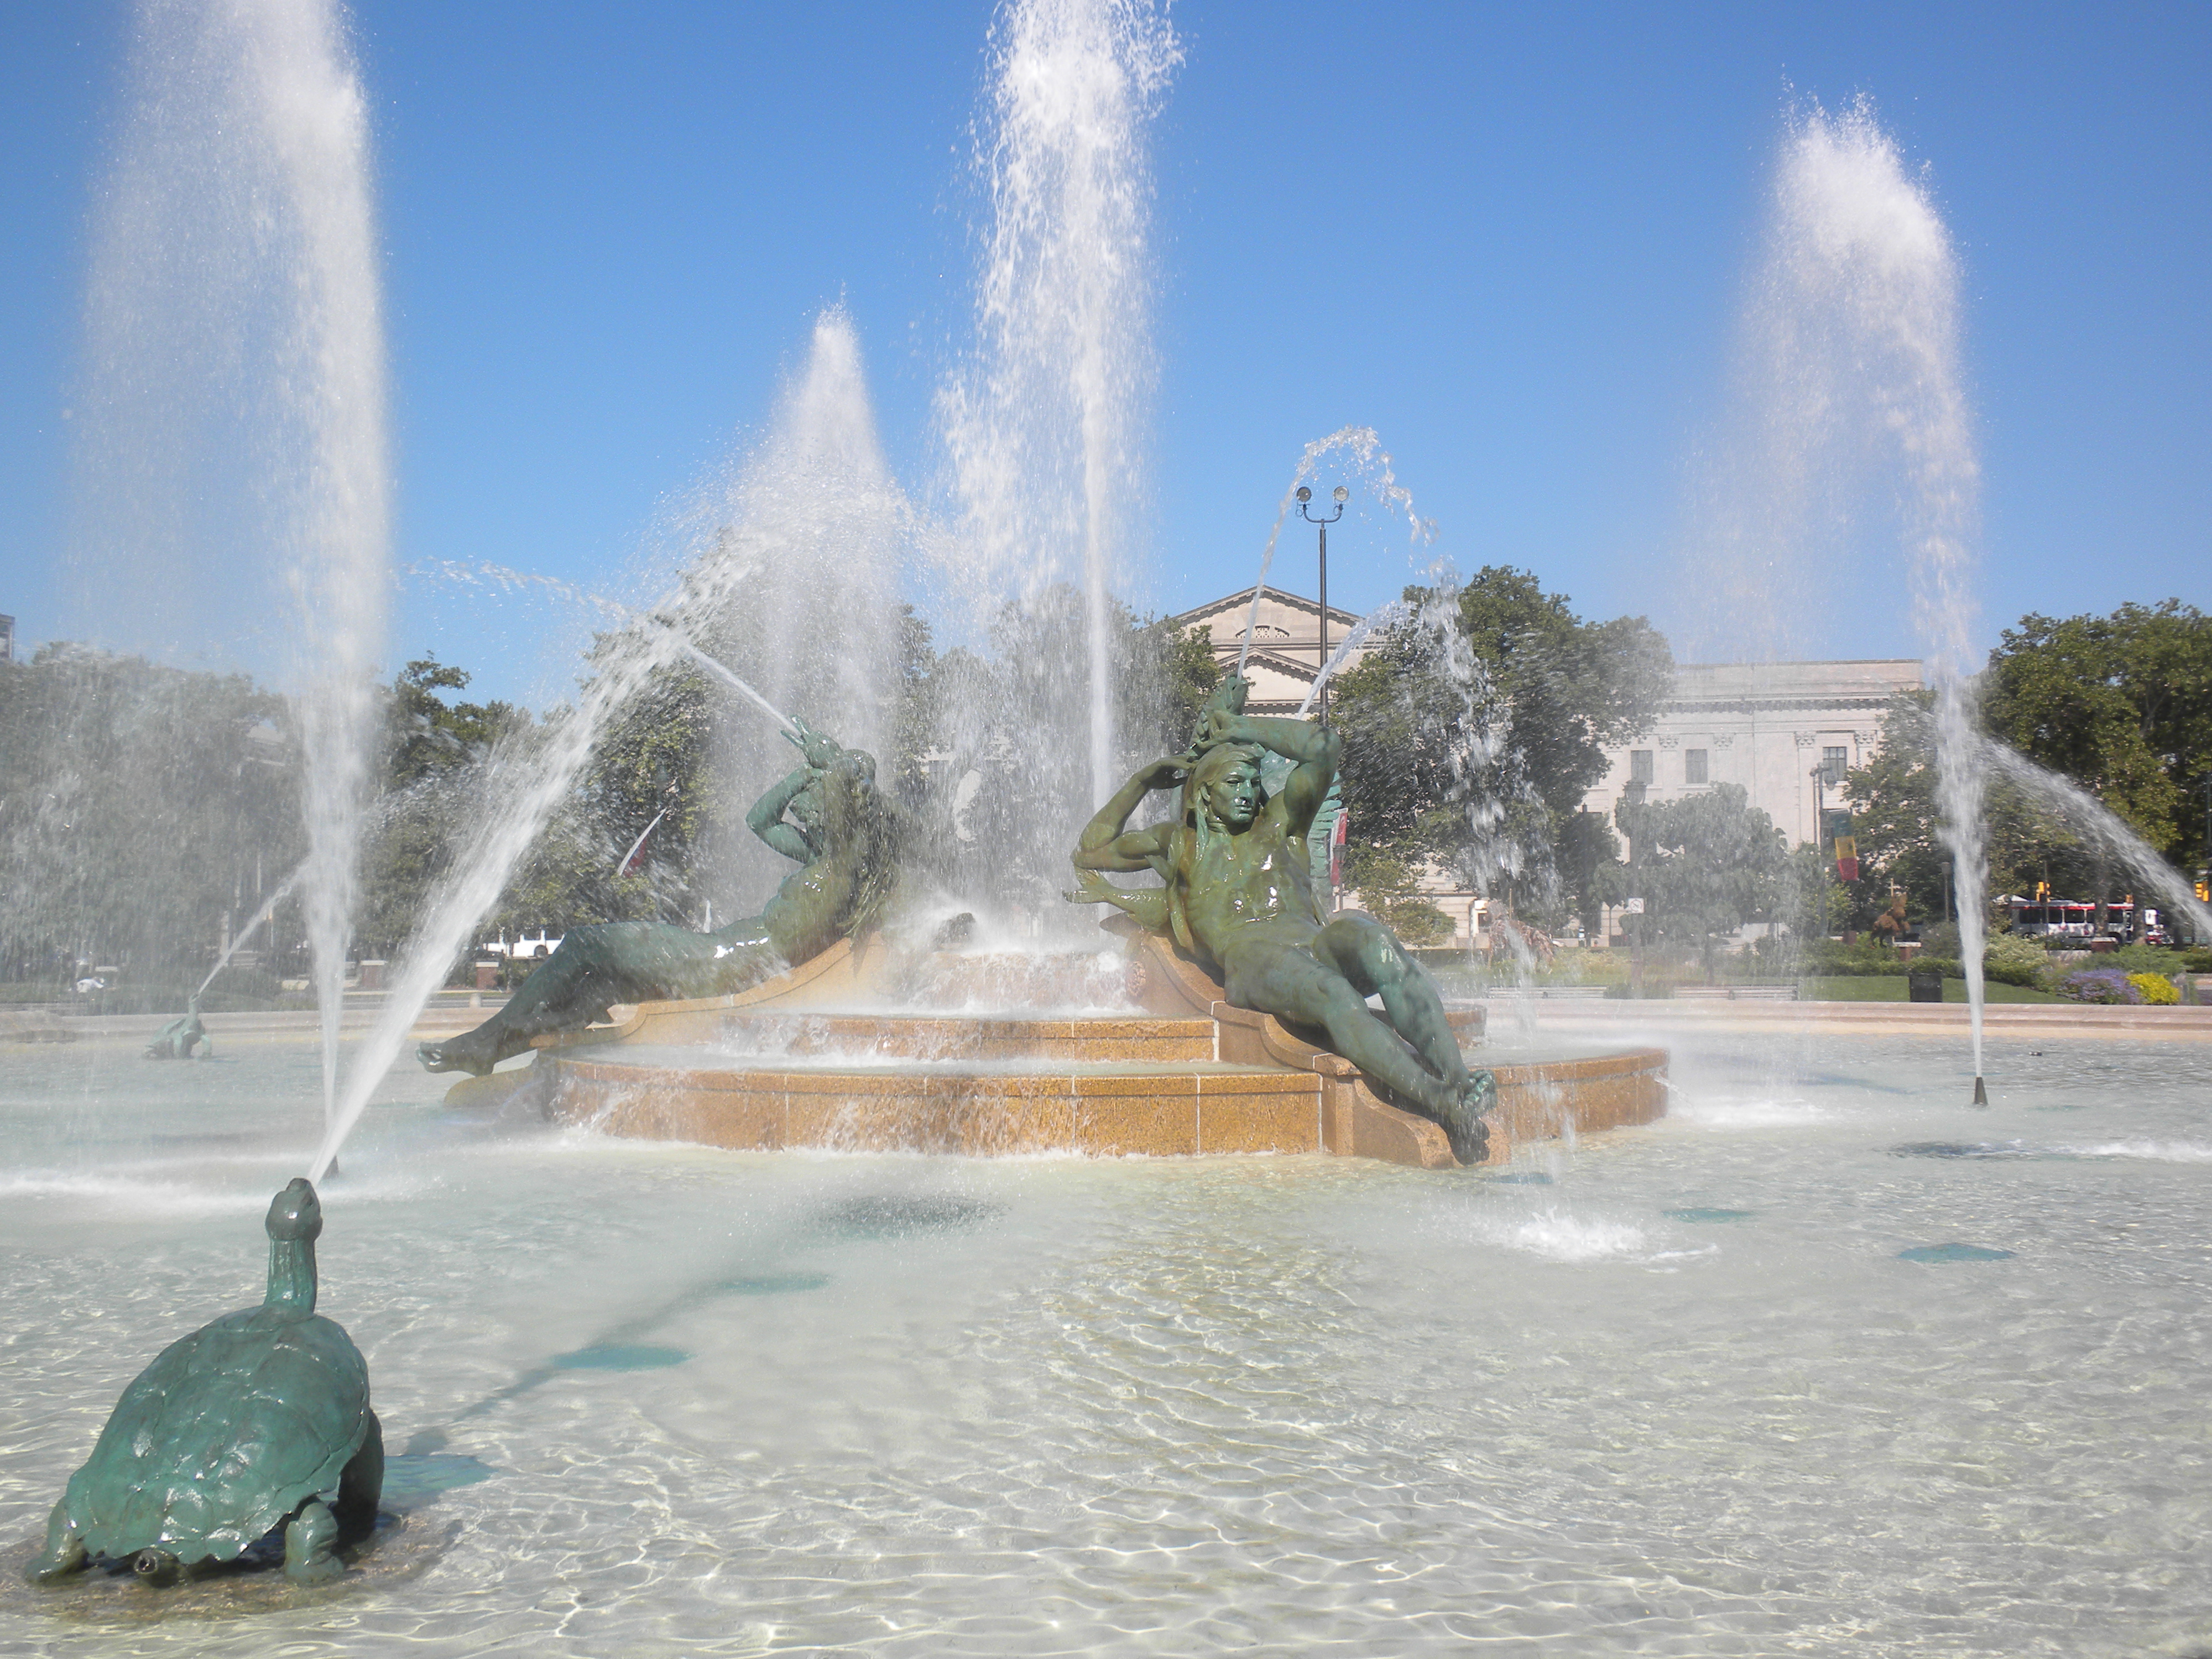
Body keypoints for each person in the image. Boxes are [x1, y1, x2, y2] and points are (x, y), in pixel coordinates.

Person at [1068, 675, 1494, 1161]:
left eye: (1253, 781)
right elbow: (1091, 850)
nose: (1249, 790)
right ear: (1206, 795)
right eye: (1234, 782)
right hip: (1251, 958)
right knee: (1332, 990)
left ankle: (1460, 1082)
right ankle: (1438, 1100)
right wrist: (1143, 781)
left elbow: (1324, 746)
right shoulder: (1179, 844)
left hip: (1313, 942)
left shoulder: (1282, 826)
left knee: (1375, 940)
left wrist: (1240, 727)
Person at [419, 718, 899, 1077]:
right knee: (601, 986)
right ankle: (497, 1047)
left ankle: (485, 1041)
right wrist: (802, 772)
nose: (804, 810)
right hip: (725, 956)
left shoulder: (849, 862)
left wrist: (830, 761)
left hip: (726, 964)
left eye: (816, 799)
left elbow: (862, 796)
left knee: (589, 945)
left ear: (846, 811)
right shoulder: (821, 857)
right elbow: (759, 821)